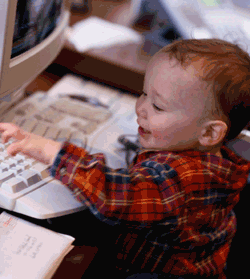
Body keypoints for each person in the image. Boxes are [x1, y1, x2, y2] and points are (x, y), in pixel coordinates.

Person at [1, 38, 250, 279]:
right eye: (143, 94)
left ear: (209, 132)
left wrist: (53, 152)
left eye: (158, 107)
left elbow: (116, 198)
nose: (140, 108)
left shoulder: (182, 176)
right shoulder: (216, 159)